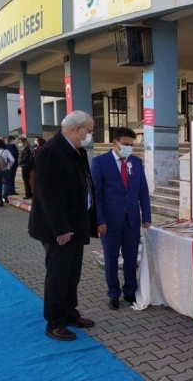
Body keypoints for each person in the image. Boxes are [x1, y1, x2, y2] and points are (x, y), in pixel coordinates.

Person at [28, 111, 97, 341]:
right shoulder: (51, 151)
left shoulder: (77, 151)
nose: (89, 135)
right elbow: (49, 195)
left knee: (72, 273)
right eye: (89, 131)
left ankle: (69, 312)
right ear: (77, 129)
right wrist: (61, 228)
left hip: (76, 224)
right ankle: (55, 321)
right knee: (58, 275)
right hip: (58, 229)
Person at [92, 127, 151, 310]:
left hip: (132, 220)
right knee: (111, 259)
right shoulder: (100, 162)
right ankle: (114, 294)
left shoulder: (136, 162)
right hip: (110, 222)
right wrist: (99, 220)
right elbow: (96, 194)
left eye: (131, 145)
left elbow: (143, 191)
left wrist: (146, 216)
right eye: (125, 144)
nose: (129, 148)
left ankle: (130, 290)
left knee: (131, 258)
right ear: (115, 143)